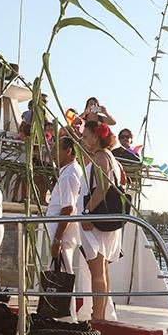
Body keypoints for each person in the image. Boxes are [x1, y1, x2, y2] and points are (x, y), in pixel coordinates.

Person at [80, 120, 124, 321]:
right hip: (108, 218)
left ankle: (97, 318)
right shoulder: (112, 157)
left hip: (96, 219)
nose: (83, 139)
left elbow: (104, 184)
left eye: (86, 136)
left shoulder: (99, 156)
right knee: (102, 270)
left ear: (96, 137)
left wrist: (88, 211)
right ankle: (101, 315)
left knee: (97, 270)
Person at [45, 136, 84, 321]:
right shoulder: (70, 171)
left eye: (56, 148)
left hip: (61, 233)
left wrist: (57, 238)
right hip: (61, 232)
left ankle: (67, 319)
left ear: (68, 151)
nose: (52, 152)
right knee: (62, 274)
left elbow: (68, 207)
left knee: (63, 276)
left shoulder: (69, 174)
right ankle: (62, 316)